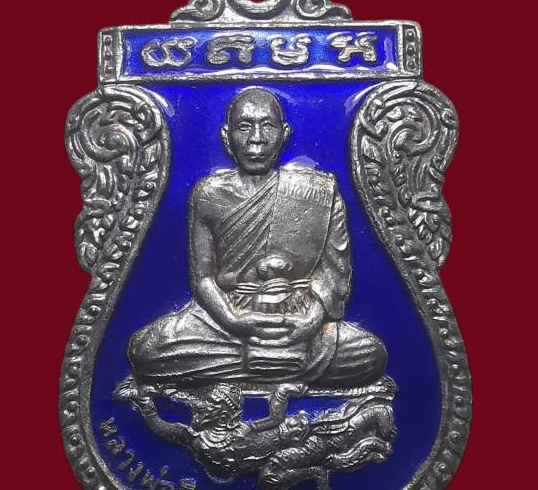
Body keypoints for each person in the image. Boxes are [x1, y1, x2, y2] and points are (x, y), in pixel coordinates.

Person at [128, 88, 387, 390]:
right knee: (146, 350)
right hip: (225, 323)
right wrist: (233, 320)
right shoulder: (208, 194)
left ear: (284, 133)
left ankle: (264, 364)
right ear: (226, 136)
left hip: (299, 319)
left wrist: (312, 321)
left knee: (370, 354)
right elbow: (203, 279)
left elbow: (333, 272)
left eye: (267, 126)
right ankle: (284, 366)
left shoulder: (319, 191)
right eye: (244, 126)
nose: (256, 139)